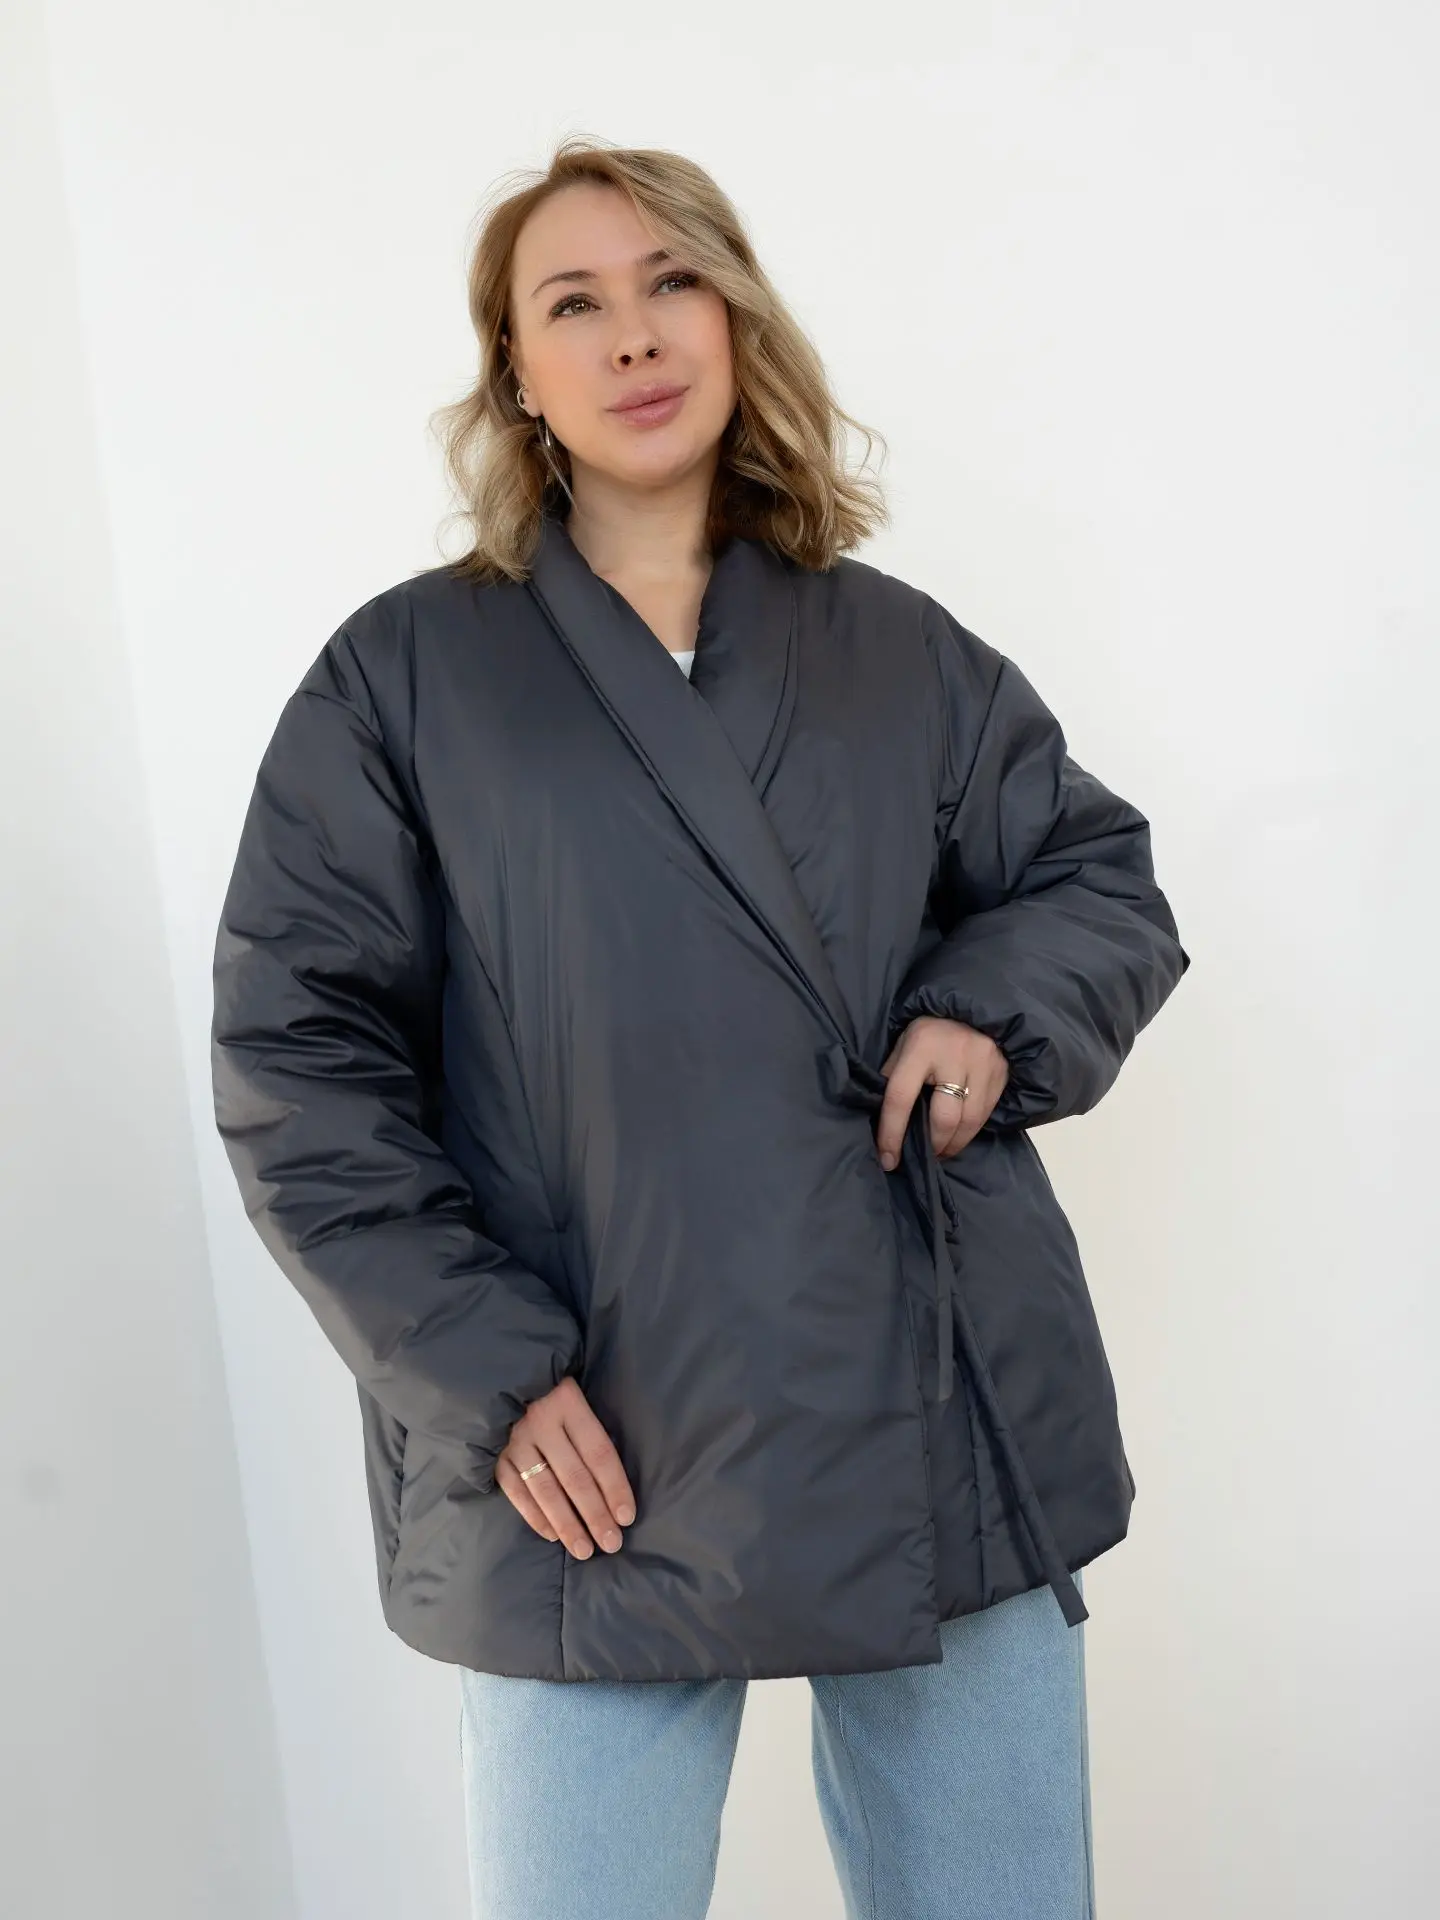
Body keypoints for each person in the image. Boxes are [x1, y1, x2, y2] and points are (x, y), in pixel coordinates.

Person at [211, 136, 1190, 1920]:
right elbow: (300, 1064)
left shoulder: (898, 650)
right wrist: (489, 1373)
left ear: (737, 320)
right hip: (583, 1438)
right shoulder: (403, 680)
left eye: (674, 283)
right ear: (519, 373)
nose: (635, 336)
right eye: (573, 303)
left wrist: (985, 1014)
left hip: (928, 1389)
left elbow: (1094, 878)